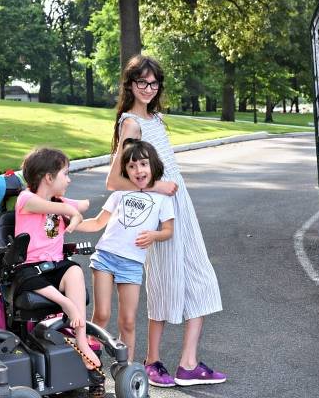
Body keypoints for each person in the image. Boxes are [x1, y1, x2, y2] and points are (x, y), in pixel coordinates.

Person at [106, 55, 226, 387]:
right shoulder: (131, 123)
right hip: (156, 210)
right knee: (164, 281)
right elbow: (114, 181)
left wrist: (169, 189)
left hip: (180, 205)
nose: (147, 88)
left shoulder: (156, 119)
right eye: (141, 82)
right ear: (130, 84)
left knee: (200, 278)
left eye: (153, 83)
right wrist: (156, 185)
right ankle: (153, 362)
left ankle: (188, 363)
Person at [78, 138, 174, 362]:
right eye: (131, 166)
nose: (138, 170)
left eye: (143, 164)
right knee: (101, 315)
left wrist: (154, 235)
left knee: (128, 321)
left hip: (132, 264)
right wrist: (69, 224)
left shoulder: (162, 199)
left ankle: (126, 369)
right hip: (105, 257)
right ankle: (89, 364)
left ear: (153, 166)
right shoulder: (119, 194)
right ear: (126, 171)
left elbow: (168, 230)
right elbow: (97, 223)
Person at [14, 146, 101, 371]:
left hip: (55, 266)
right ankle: (66, 304)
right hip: (30, 267)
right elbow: (51, 207)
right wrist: (71, 211)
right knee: (26, 274)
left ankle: (81, 340)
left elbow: (84, 205)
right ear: (49, 177)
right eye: (65, 173)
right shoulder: (26, 199)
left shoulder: (59, 200)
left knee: (74, 270)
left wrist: (76, 212)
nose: (69, 180)